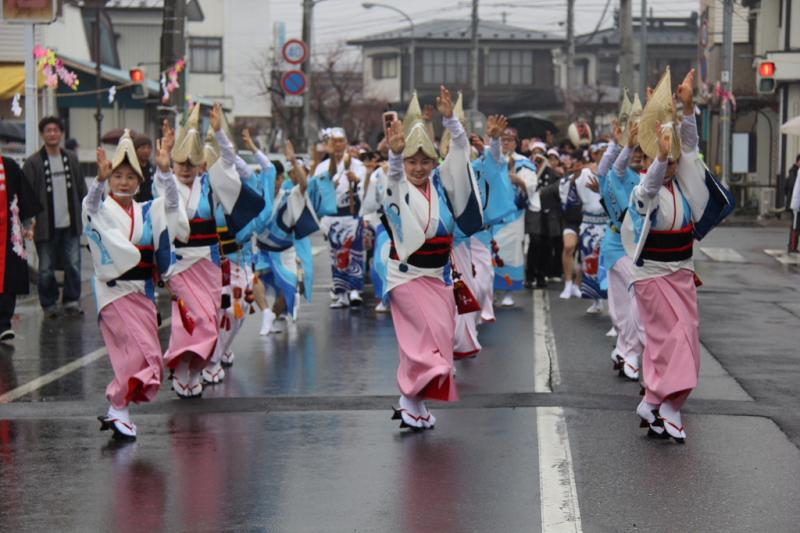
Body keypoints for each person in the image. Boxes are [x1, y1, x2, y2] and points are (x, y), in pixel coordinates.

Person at [626, 69, 734, 443]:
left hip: (682, 272)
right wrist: (659, 155)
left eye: (672, 161)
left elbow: (689, 147)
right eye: (664, 161)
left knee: (686, 337)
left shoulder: (683, 186)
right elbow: (652, 180)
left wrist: (685, 109)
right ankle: (667, 404)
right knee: (670, 339)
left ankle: (655, 399)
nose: (671, 166)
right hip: (653, 275)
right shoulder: (645, 189)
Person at [385, 86, 483, 430]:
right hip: (407, 274)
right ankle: (409, 397)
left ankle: (414, 403)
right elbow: (394, 180)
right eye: (412, 161)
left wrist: (451, 122)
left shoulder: (440, 184)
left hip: (438, 273)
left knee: (440, 337)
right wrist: (395, 159)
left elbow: (460, 155)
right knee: (423, 340)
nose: (418, 167)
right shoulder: (397, 183)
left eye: (425, 161)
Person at [156, 103, 264, 398]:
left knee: (210, 323)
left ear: (200, 164)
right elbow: (164, 200)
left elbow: (229, 165)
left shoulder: (209, 185)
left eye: (191, 164)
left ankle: (192, 372)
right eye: (181, 164)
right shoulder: (167, 185)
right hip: (181, 264)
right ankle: (180, 371)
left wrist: (219, 134)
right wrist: (164, 166)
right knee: (190, 322)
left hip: (210, 263)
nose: (186, 169)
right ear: (174, 164)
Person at [86, 129, 185, 440]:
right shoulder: (101, 210)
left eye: (131, 176)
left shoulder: (148, 210)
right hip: (113, 293)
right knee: (134, 354)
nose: (124, 182)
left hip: (142, 292)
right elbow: (89, 207)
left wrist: (166, 169)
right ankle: (118, 405)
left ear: (140, 181)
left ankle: (120, 410)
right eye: (118, 176)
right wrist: (98, 182)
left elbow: (172, 203)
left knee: (151, 355)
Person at [22, 116, 88, 318]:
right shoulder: (33, 162)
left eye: (56, 130)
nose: (52, 133)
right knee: (45, 269)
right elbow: (26, 195)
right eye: (48, 130)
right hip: (45, 225)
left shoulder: (71, 158)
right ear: (43, 134)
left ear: (61, 133)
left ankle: (71, 300)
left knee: (74, 264)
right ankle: (49, 304)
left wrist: (87, 214)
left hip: (70, 223)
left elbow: (81, 189)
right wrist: (27, 222)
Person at [312, 127, 368, 308]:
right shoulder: (322, 167)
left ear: (346, 143)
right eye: (334, 142)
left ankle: (355, 291)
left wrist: (356, 180)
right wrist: (329, 186)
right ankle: (341, 293)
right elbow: (316, 191)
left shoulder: (356, 165)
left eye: (340, 141)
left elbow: (365, 186)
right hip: (332, 217)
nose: (337, 145)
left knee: (355, 253)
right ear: (329, 144)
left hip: (351, 215)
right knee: (337, 256)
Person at [489, 127, 537, 307]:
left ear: (516, 143)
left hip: (513, 217)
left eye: (509, 140)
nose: (505, 143)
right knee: (490, 254)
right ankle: (491, 290)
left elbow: (531, 188)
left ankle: (509, 291)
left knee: (511, 254)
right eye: (502, 139)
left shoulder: (524, 163)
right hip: (493, 218)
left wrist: (520, 182)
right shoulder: (490, 160)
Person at [0, 153, 41, 341]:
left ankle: (3, 324)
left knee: (8, 278)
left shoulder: (8, 166)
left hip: (7, 233)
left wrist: (26, 225)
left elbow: (22, 196)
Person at [525, 149, 563, 288]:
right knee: (534, 242)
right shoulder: (528, 172)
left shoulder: (553, 174)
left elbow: (559, 187)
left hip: (548, 212)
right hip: (534, 212)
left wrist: (544, 191)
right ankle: (530, 275)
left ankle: (541, 275)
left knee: (546, 245)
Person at [558, 152, 585, 299]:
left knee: (583, 254)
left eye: (579, 166)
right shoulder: (565, 181)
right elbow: (564, 202)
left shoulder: (591, 178)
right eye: (573, 166)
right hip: (570, 220)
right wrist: (574, 182)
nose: (576, 169)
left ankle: (576, 284)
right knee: (569, 247)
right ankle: (567, 284)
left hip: (587, 220)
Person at [133, 134, 155, 203]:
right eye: (143, 147)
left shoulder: (154, 169)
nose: (146, 150)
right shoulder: (132, 168)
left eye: (149, 148)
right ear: (135, 149)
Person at [787, 154, 800, 253]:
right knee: (795, 226)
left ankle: (792, 246)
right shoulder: (794, 172)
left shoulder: (794, 172)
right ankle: (792, 246)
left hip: (794, 202)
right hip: (796, 203)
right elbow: (792, 187)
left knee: (795, 225)